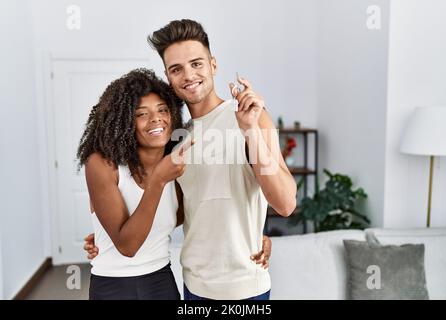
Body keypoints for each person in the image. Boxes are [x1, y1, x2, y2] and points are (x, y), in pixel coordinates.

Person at [86, 19, 295, 300]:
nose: (188, 75)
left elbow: (285, 203)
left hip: (245, 288)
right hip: (192, 286)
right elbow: (181, 211)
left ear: (213, 65)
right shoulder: (174, 137)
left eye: (197, 64)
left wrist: (250, 131)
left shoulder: (250, 116)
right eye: (177, 69)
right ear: (168, 77)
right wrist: (105, 234)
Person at [77, 68, 188, 299]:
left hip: (161, 279)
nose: (156, 118)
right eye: (141, 114)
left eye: (162, 110)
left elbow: (183, 214)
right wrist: (157, 180)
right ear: (124, 122)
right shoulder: (102, 163)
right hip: (114, 286)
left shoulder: (176, 162)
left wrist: (253, 236)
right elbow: (128, 247)